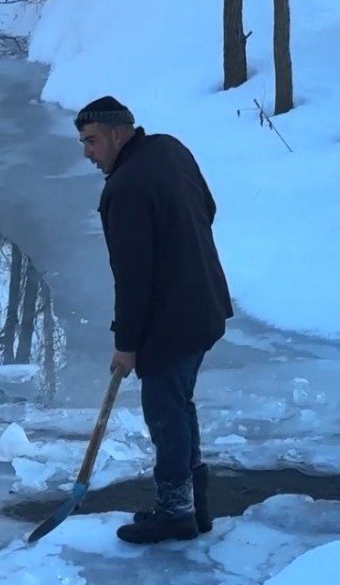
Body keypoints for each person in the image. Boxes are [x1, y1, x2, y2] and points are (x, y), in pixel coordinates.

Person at [74, 95, 234, 545]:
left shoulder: (124, 189)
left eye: (92, 141)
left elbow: (132, 278)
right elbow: (209, 208)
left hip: (171, 322)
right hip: (204, 305)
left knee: (165, 414)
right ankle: (193, 508)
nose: (88, 152)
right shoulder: (170, 149)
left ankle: (175, 512)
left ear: (118, 133)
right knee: (178, 406)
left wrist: (126, 344)